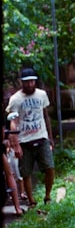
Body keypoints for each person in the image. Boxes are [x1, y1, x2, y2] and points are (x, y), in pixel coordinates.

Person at [5, 68, 56, 207]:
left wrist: (50, 137)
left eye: (32, 81)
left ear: (35, 81)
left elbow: (46, 116)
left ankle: (47, 196)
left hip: (41, 137)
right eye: (26, 82)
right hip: (24, 140)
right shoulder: (15, 99)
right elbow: (13, 122)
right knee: (26, 172)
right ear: (22, 82)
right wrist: (16, 144)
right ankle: (31, 200)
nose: (29, 85)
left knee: (50, 168)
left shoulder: (41, 95)